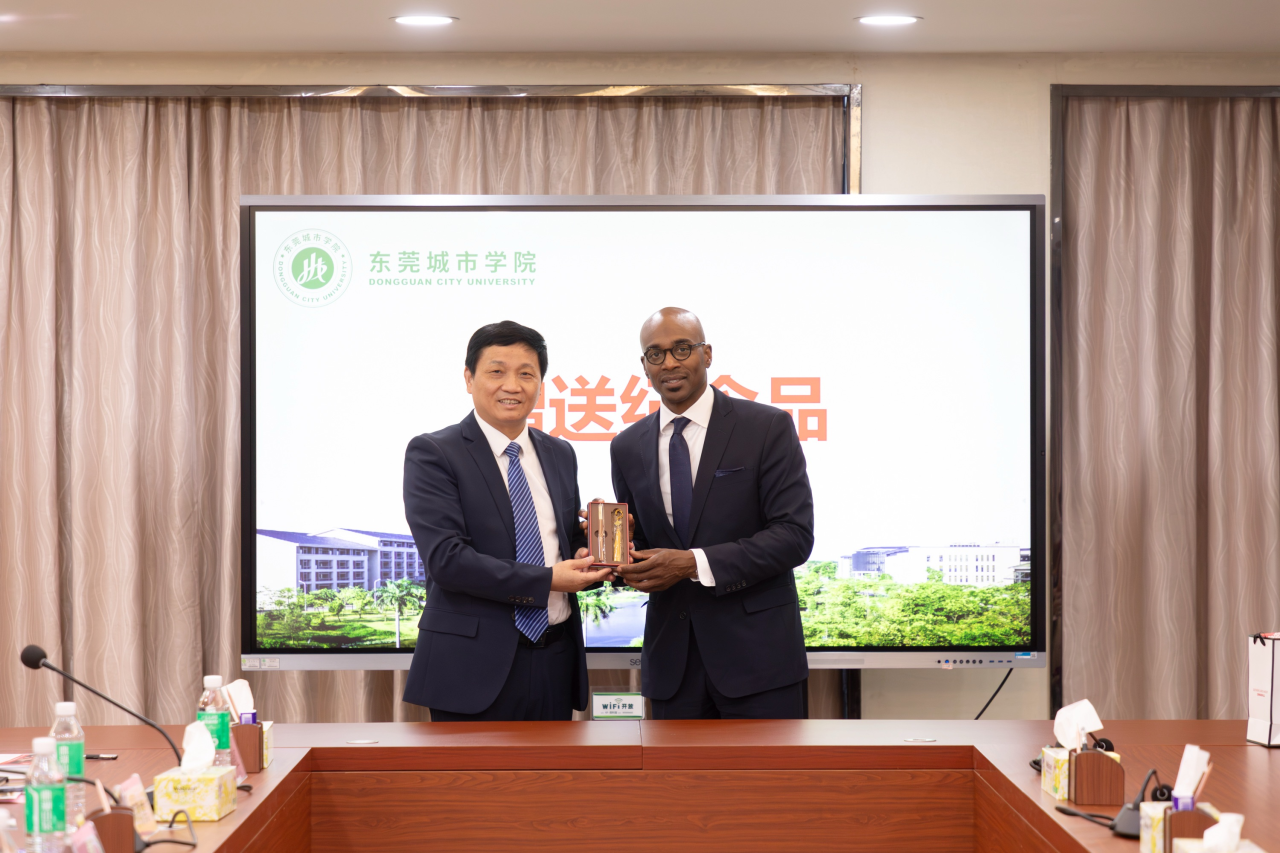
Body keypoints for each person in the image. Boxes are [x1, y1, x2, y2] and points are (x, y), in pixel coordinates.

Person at [610, 307, 815, 719]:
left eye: (682, 348)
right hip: (672, 667)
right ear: (644, 367)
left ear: (706, 354)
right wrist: (618, 555)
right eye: (655, 354)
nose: (669, 362)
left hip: (759, 662)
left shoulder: (766, 427)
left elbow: (794, 535)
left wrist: (692, 563)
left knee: (769, 766)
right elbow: (647, 547)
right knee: (675, 768)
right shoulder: (626, 446)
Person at [402, 321, 612, 720]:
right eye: (496, 372)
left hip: (555, 658)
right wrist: (548, 580)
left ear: (540, 383)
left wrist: (594, 547)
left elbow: (559, 543)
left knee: (553, 765)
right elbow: (447, 560)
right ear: (469, 378)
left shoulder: (560, 453)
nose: (512, 386)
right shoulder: (434, 453)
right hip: (470, 667)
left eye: (526, 374)